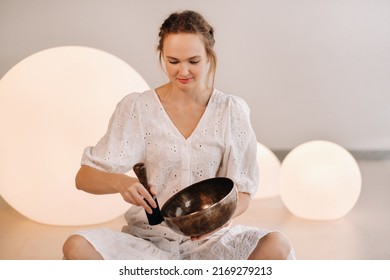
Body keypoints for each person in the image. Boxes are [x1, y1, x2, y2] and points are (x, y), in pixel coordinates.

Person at [62, 10, 295, 260]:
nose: (183, 71)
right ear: (162, 57)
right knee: (76, 245)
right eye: (173, 61)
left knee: (276, 245)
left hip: (211, 242)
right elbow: (83, 177)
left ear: (209, 58)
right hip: (148, 242)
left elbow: (244, 192)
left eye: (193, 61)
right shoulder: (138, 108)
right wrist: (121, 183)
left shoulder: (231, 111)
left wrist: (215, 220)